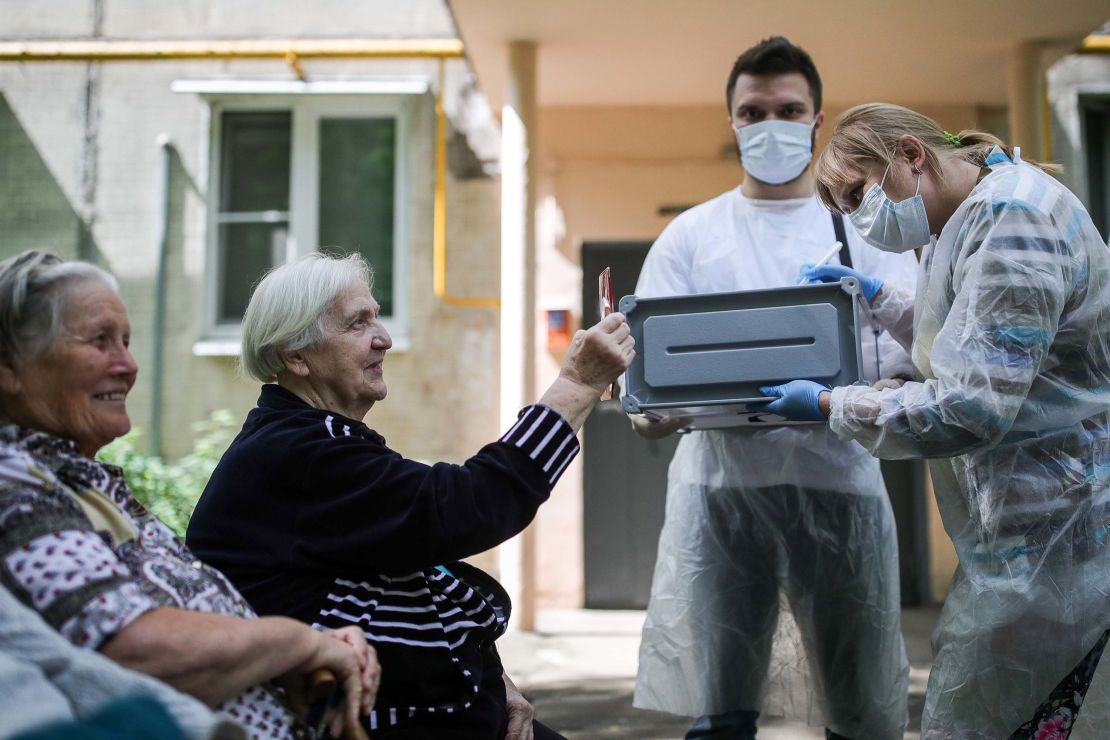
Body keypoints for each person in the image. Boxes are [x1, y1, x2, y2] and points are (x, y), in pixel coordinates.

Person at [763, 102, 1110, 738]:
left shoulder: (1011, 217)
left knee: (1003, 715)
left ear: (911, 155)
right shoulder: (977, 213)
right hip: (1037, 536)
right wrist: (881, 297)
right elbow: (974, 334)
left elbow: (971, 404)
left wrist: (830, 403)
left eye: (858, 195)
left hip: (1059, 541)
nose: (862, 220)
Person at [185, 251, 634, 739]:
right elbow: (470, 507)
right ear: (296, 357)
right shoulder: (297, 453)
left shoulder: (317, 440)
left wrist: (495, 680)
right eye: (358, 324)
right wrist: (576, 385)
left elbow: (420, 567)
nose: (384, 338)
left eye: (377, 317)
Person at [629, 37, 915, 740]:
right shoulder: (691, 237)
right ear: (731, 121)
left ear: (819, 121)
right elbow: (647, 378)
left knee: (857, 705)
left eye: (789, 109)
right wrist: (648, 415)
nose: (770, 125)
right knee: (722, 711)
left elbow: (917, 354)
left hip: (838, 485)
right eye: (752, 112)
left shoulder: (862, 232)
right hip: (722, 497)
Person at [0, 250, 381, 740]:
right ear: (9, 366)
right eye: (100, 341)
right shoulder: (17, 488)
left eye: (127, 342)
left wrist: (294, 657)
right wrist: (301, 644)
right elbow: (137, 650)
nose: (129, 365)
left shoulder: (77, 481)